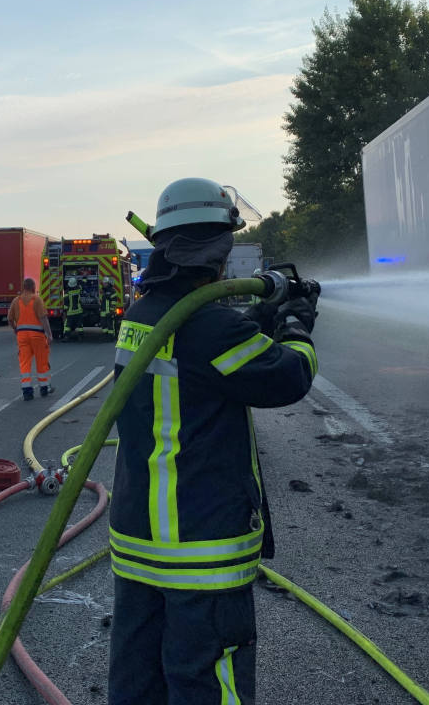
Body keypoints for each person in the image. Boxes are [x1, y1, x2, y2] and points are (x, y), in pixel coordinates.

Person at [108, 177, 319, 705]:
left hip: (139, 542)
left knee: (140, 679)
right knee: (207, 680)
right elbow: (286, 378)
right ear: (219, 250)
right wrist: (296, 328)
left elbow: (203, 365)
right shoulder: (211, 328)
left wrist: (257, 322)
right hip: (200, 545)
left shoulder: (144, 315)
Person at [7, 277, 54, 401]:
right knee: (41, 361)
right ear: (33, 287)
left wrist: (16, 329)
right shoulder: (37, 300)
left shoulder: (16, 301)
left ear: (23, 287)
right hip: (37, 336)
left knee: (24, 363)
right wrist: (49, 334)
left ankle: (27, 391)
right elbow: (43, 318)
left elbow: (10, 319)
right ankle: (44, 388)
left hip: (22, 336)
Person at [63, 277, 84, 341]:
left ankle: (67, 337)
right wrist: (84, 278)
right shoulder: (78, 289)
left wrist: (65, 311)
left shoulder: (67, 292)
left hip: (70, 312)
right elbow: (81, 286)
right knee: (80, 325)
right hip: (79, 311)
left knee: (67, 325)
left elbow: (66, 303)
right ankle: (80, 337)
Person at [99, 276, 119, 340]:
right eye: (103, 283)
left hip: (109, 311)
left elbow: (114, 301)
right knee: (104, 324)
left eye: (105, 283)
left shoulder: (112, 291)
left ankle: (111, 336)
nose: (104, 284)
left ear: (108, 283)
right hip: (103, 311)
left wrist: (111, 311)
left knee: (110, 325)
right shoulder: (104, 290)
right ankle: (105, 335)